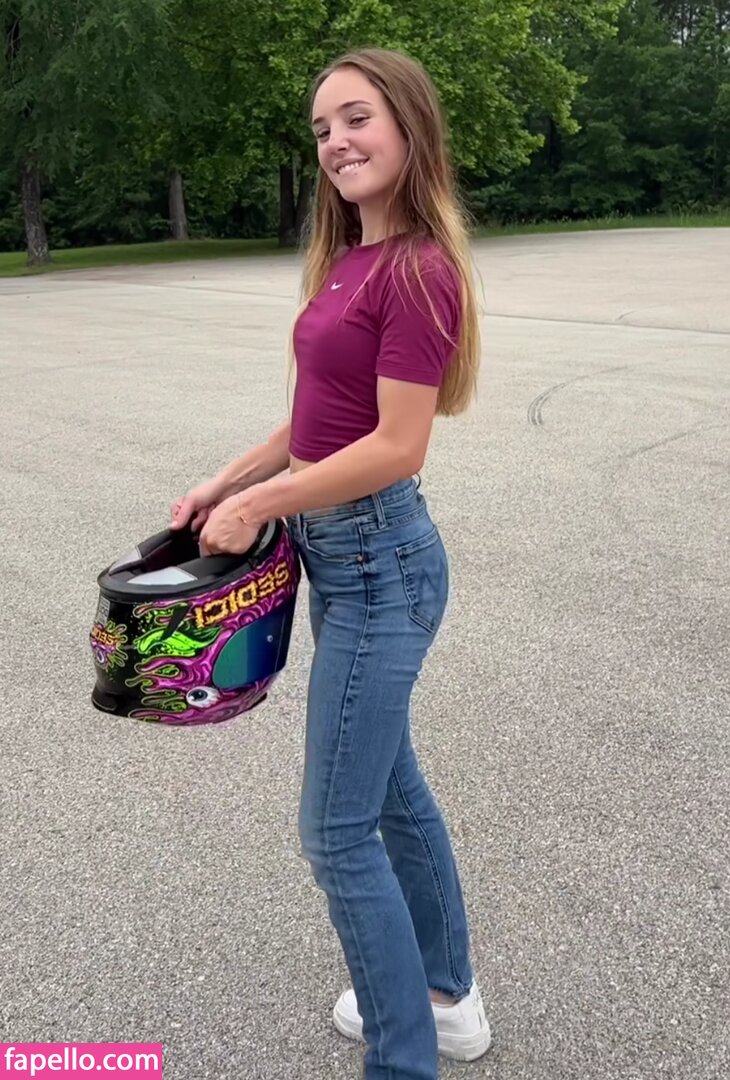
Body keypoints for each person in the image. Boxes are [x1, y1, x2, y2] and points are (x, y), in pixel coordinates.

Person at [170, 46, 491, 1080]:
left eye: (356, 118)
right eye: (321, 129)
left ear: (408, 125)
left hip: (381, 563)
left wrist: (261, 505)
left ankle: (405, 1058)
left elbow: (397, 445)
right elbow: (316, 418)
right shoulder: (351, 258)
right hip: (344, 563)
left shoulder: (420, 268)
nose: (337, 142)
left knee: (335, 832)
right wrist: (227, 479)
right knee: (390, 793)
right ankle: (445, 998)